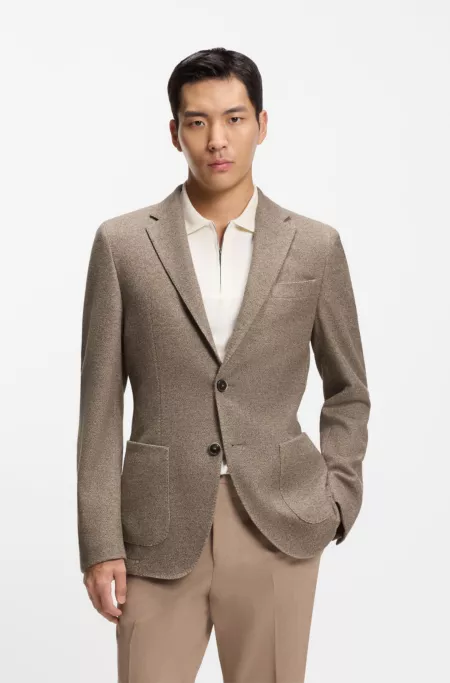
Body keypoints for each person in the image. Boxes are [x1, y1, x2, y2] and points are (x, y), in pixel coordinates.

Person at [76, 47, 371, 683]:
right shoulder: (123, 245)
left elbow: (348, 389)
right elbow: (99, 407)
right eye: (198, 121)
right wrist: (99, 542)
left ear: (262, 125)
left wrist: (338, 495)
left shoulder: (315, 246)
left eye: (234, 119)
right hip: (155, 530)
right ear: (175, 132)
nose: (217, 139)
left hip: (279, 524)